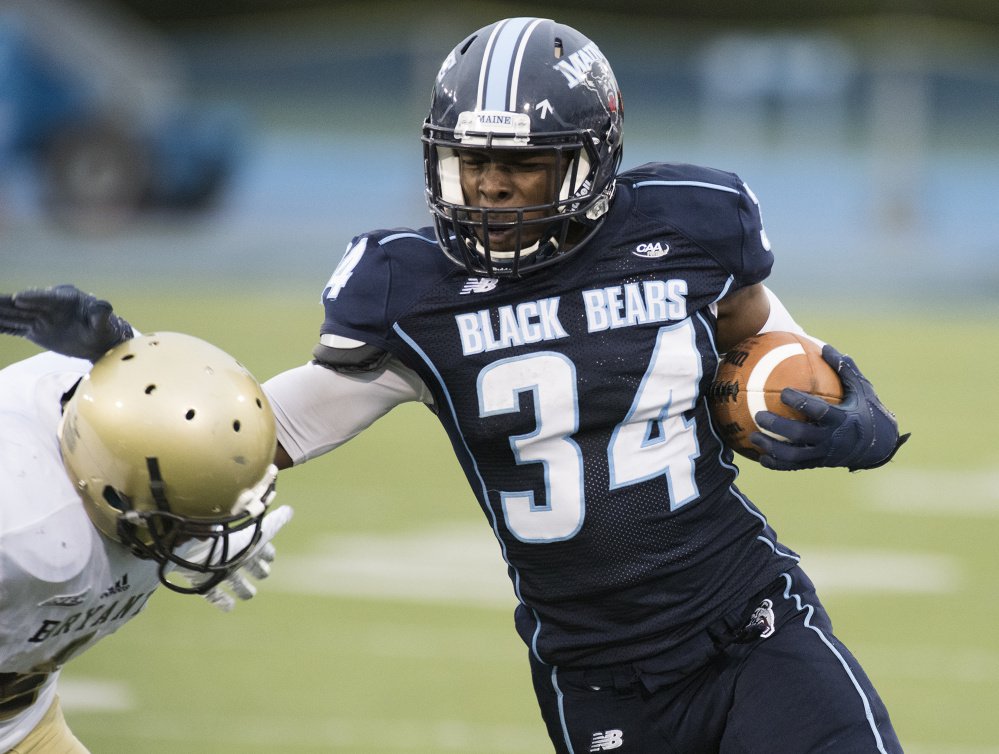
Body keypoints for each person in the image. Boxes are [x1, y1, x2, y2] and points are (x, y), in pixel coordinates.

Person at [2, 17, 909, 752]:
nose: (491, 190)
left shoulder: (690, 226)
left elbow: (763, 331)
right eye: (471, 164)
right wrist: (107, 382)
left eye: (519, 165)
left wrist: (850, 405)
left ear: (590, 158)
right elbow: (248, 426)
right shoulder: (411, 293)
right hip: (596, 668)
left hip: (746, 618)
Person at [0, 316, 293, 753]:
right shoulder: (19, 522)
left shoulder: (136, 397)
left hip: (25, 721)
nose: (207, 532)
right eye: (185, 518)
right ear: (112, 488)